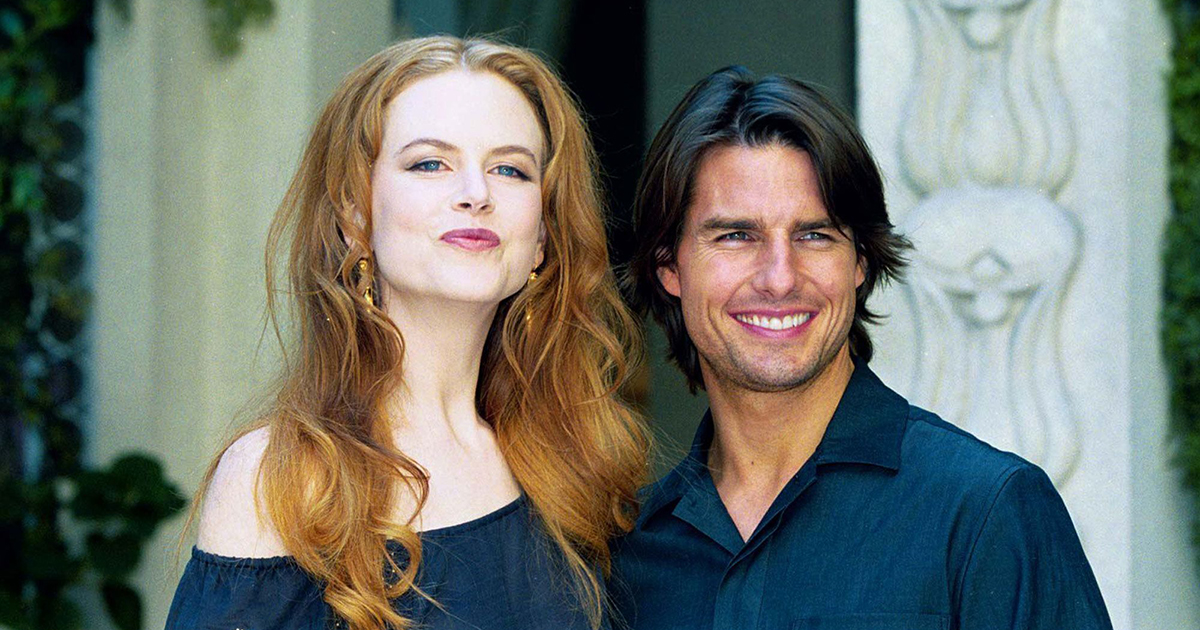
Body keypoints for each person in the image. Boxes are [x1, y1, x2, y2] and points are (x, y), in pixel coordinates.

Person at [165, 36, 648, 630]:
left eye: (510, 169)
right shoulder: (279, 478)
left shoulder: (573, 462)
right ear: (355, 216)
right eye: (429, 163)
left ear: (542, 236)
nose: (476, 194)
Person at [612, 66, 1112, 629]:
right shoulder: (628, 557)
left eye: (814, 235)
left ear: (861, 262)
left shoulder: (983, 512)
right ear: (668, 266)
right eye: (736, 235)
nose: (779, 278)